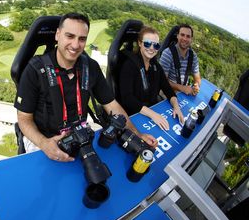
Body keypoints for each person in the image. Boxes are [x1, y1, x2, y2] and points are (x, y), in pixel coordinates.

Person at [14, 13, 158, 162]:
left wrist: (138, 135)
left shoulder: (90, 67)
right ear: (57, 35)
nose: (76, 45)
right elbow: (24, 118)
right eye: (70, 36)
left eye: (82, 39)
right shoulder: (35, 69)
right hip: (43, 137)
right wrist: (44, 143)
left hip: (80, 131)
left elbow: (111, 105)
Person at [118, 26, 184, 130]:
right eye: (147, 43)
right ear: (140, 43)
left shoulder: (155, 66)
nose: (152, 48)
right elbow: (128, 99)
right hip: (133, 115)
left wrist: (176, 107)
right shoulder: (129, 66)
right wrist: (153, 115)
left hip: (150, 110)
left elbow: (167, 89)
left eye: (156, 45)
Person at [160, 24, 201, 95]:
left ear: (191, 39)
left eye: (188, 36)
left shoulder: (193, 56)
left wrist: (196, 85)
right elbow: (162, 81)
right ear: (177, 36)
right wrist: (182, 88)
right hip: (167, 93)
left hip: (183, 92)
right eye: (182, 35)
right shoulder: (167, 53)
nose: (185, 39)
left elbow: (197, 77)